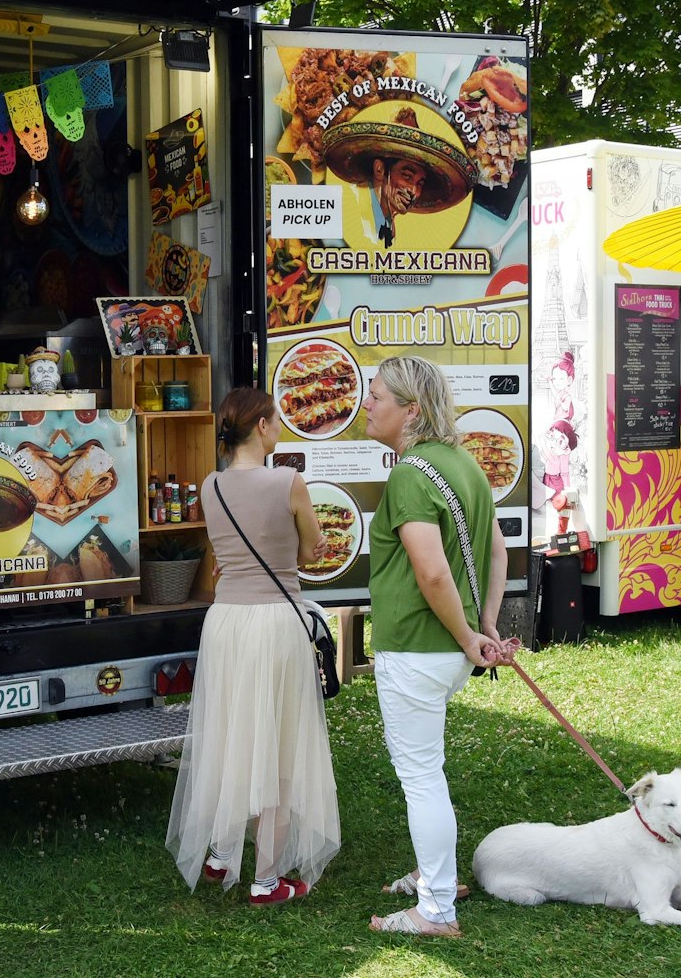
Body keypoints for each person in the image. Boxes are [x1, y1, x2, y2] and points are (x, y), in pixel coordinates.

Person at [359, 355, 518, 935]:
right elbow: (497, 553)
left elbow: (430, 574)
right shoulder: (466, 464)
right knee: (430, 770)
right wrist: (484, 627)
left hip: (418, 650)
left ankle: (436, 909)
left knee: (420, 775)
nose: (366, 404)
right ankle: (441, 880)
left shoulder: (410, 474)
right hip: (447, 652)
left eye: (377, 396)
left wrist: (469, 633)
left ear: (412, 409)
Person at [166, 388, 340, 904]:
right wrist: (313, 543)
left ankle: (220, 853)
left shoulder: (209, 486)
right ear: (261, 426)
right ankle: (266, 879)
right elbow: (309, 552)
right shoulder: (289, 481)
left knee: (232, 733)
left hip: (225, 623)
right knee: (281, 748)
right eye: (277, 419)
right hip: (274, 622)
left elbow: (225, 556)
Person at [320, 106, 474, 250]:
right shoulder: (357, 217)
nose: (414, 190)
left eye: (421, 183)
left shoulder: (386, 226)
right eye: (407, 176)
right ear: (379, 169)